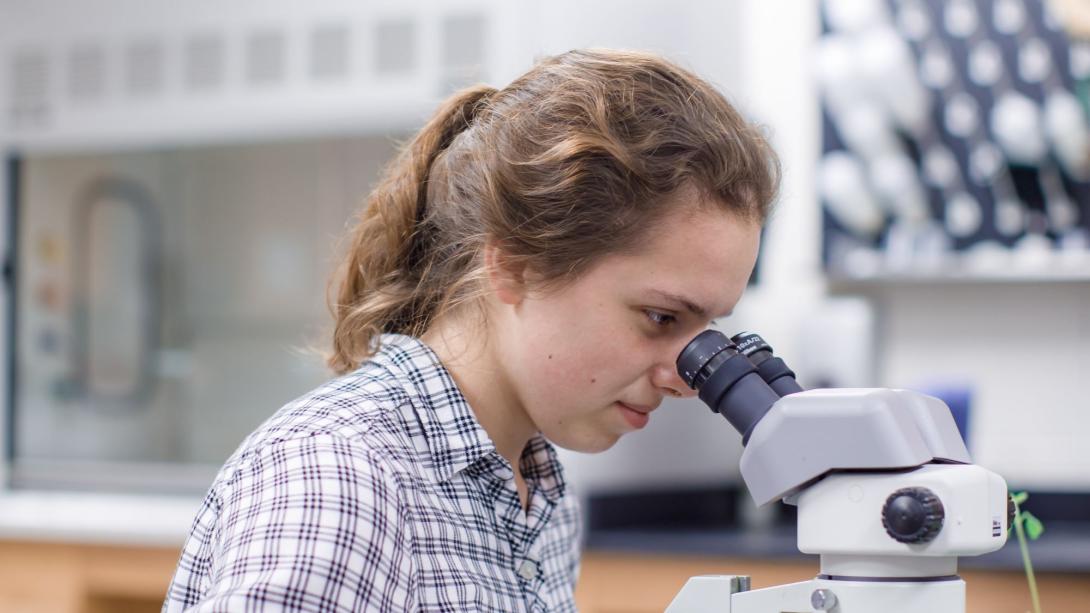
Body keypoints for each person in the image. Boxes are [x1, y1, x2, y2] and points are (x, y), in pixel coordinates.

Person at [163, 48, 779, 612]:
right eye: (662, 318)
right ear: (515, 265)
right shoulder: (343, 475)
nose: (686, 380)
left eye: (707, 329)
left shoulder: (537, 492)